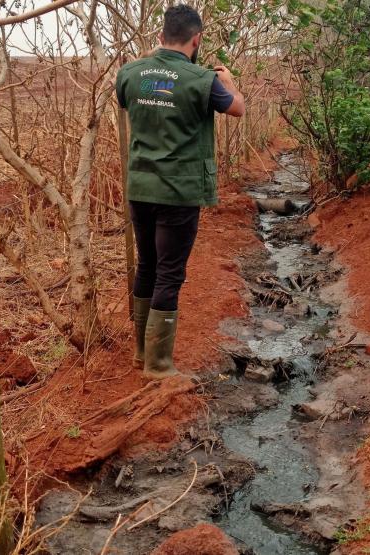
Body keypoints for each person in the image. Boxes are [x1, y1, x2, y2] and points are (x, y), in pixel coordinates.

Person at [115, 5, 245, 380]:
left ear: (159, 37)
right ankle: (159, 365)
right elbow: (238, 109)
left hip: (140, 186)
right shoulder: (203, 80)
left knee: (148, 265)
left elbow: (128, 99)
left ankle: (142, 354)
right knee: (170, 271)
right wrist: (230, 81)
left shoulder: (130, 73)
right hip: (180, 191)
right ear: (197, 38)